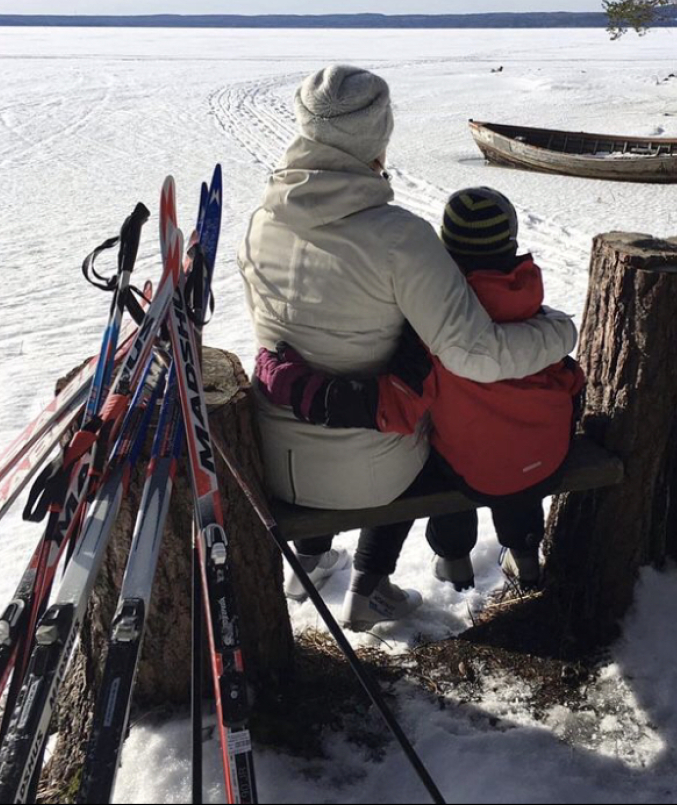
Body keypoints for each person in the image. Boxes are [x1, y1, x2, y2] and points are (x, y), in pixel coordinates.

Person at [237, 65, 577, 629]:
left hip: (276, 457)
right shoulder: (400, 238)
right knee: (441, 440)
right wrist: (560, 332)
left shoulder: (261, 221)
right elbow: (475, 355)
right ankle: (374, 585)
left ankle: (312, 561)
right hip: (370, 469)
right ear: (378, 134)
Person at [256, 186, 585, 593]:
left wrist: (297, 387)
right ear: (511, 244)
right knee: (508, 453)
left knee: (437, 453)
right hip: (548, 454)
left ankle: (454, 563)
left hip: (475, 470)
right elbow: (569, 380)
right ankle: (526, 562)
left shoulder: (436, 320)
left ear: (445, 250)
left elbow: (396, 407)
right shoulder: (532, 304)